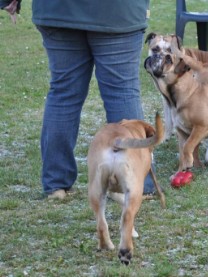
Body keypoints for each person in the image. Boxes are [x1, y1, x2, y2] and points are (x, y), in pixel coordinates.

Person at [1, 0, 158, 199]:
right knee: (122, 92)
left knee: (63, 93)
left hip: (58, 10)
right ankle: (135, 183)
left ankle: (56, 184)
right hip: (118, 12)